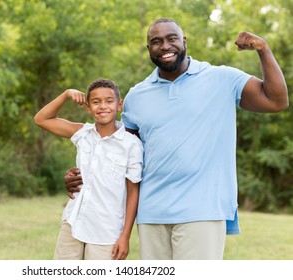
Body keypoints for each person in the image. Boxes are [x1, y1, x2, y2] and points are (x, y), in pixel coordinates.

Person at [64, 18, 289, 260]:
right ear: (148, 49)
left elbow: (276, 101)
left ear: (184, 41)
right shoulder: (136, 96)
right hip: (151, 213)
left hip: (202, 209)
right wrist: (84, 176)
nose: (165, 46)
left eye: (172, 38)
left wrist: (263, 50)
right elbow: (121, 157)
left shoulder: (221, 78)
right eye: (156, 41)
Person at [34, 78, 143, 260]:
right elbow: (41, 119)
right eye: (96, 102)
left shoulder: (131, 145)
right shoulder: (83, 134)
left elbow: (133, 192)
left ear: (119, 105)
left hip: (106, 230)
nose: (103, 106)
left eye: (109, 101)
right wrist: (66, 94)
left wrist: (125, 236)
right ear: (87, 107)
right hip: (74, 222)